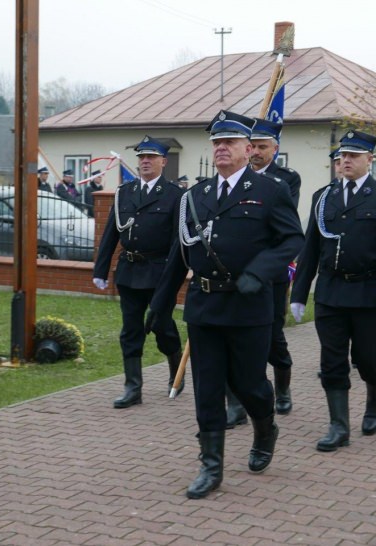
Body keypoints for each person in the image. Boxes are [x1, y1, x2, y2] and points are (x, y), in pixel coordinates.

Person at [146, 111, 303, 499]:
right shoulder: (194, 197)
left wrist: (259, 272)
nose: (220, 148)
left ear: (248, 149)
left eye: (229, 142)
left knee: (249, 385)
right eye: (216, 142)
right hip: (204, 307)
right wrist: (160, 305)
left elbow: (291, 240)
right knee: (208, 387)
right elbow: (179, 255)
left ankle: (265, 427)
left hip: (248, 307)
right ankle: (211, 465)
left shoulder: (270, 191)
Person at [290, 129, 376, 451]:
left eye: (354, 155)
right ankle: (338, 425)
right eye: (343, 156)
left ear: (370, 159)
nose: (346, 161)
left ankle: (374, 399)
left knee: (369, 358)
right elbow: (311, 248)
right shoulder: (323, 196)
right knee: (332, 360)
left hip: (369, 293)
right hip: (331, 292)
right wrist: (299, 293)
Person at [92, 136, 186, 409]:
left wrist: (172, 277)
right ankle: (133, 388)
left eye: (151, 157)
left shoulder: (175, 195)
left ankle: (175, 373)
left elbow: (177, 242)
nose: (145, 161)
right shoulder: (125, 192)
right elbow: (112, 231)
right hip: (130, 272)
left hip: (159, 273)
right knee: (130, 330)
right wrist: (101, 268)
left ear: (163, 162)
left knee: (162, 326)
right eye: (142, 157)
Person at [239, 117, 303, 418]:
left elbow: (276, 222)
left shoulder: (286, 180)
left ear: (274, 149)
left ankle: (283, 388)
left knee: (273, 335)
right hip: (237, 270)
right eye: (253, 147)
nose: (256, 153)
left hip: (272, 270)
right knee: (237, 336)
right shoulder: (237, 175)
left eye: (263, 147)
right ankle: (239, 398)